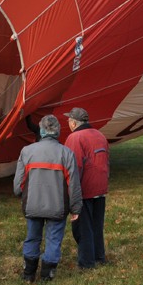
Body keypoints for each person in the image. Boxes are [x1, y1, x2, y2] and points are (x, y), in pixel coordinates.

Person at [13, 114, 82, 282]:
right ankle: (47, 275)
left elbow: (18, 185)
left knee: (32, 237)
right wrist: (76, 208)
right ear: (58, 131)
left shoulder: (27, 151)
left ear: (41, 130)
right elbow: (73, 185)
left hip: (32, 204)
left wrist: (23, 195)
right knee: (54, 240)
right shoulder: (67, 153)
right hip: (57, 207)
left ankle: (28, 274)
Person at [63, 107, 110, 269]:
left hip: (85, 190)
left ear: (73, 123)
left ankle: (86, 262)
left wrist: (70, 192)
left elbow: (74, 167)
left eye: (69, 121)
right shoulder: (100, 135)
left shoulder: (75, 138)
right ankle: (99, 256)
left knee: (83, 228)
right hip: (101, 188)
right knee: (97, 225)